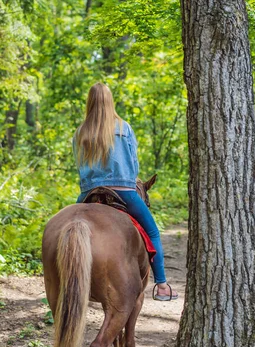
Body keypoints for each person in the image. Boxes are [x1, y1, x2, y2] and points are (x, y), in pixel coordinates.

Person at [73, 82, 178, 301]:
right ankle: (162, 285)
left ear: (89, 102)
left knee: (69, 229)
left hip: (89, 193)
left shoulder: (81, 131)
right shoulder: (123, 127)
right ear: (110, 101)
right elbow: (133, 162)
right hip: (124, 191)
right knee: (153, 232)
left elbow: (79, 163)